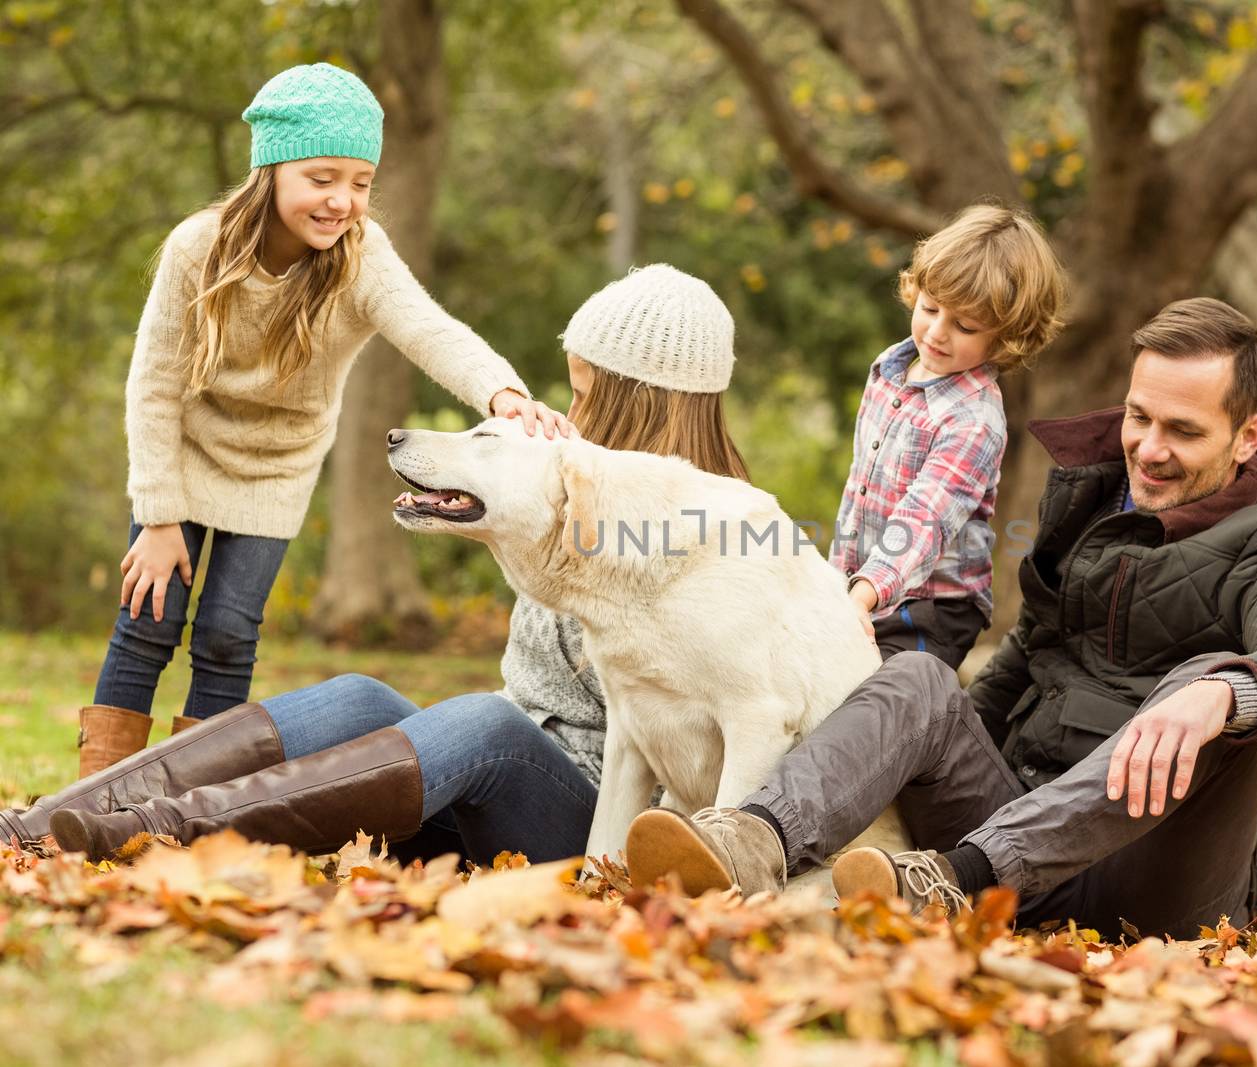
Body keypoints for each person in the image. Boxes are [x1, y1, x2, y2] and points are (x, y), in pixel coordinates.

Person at [626, 297, 1257, 940]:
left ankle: (948, 882)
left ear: (1248, 435)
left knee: (1206, 688)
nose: (1150, 448)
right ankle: (750, 840)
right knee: (920, 676)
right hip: (1021, 827)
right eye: (1139, 417)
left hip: (1160, 876)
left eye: (1184, 430)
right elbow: (1026, 653)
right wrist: (928, 742)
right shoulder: (1094, 501)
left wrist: (1222, 697)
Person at [0, 265, 743, 865]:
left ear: (640, 402)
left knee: (485, 720)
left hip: (591, 823)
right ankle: (50, 821)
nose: (567, 415)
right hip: (491, 786)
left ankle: (128, 835)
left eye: (584, 394)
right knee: (359, 696)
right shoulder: (575, 480)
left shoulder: (708, 535)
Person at [80, 62, 571, 779]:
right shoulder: (197, 248)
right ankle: (86, 806)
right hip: (182, 453)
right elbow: (152, 386)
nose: (343, 200)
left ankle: (186, 802)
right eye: (322, 177)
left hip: (276, 468)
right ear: (271, 170)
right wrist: (158, 516)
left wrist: (502, 393)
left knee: (225, 635)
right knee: (147, 622)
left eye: (361, 182)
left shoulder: (359, 258)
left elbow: (428, 329)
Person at [834, 204, 1064, 669]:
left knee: (873, 696)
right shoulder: (889, 369)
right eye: (930, 308)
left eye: (965, 326)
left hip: (934, 608)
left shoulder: (973, 420)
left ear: (1004, 338)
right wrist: (840, 585)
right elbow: (859, 491)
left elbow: (925, 518)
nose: (937, 333)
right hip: (862, 588)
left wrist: (863, 595)